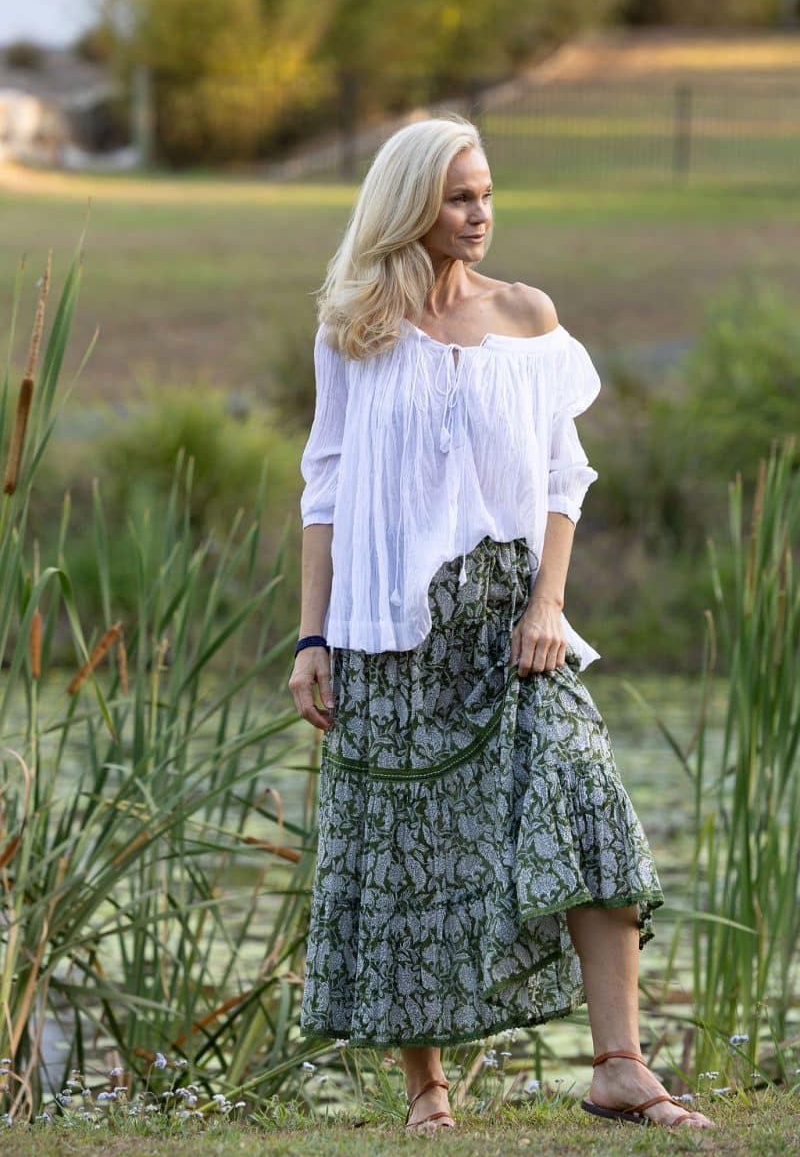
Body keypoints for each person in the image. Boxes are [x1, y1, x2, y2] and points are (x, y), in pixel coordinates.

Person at [288, 114, 713, 1134]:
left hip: (513, 623)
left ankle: (619, 1067)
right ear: (408, 208)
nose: (478, 215)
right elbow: (324, 489)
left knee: (588, 812)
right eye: (457, 197)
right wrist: (310, 639)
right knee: (404, 852)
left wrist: (548, 606)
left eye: (485, 194)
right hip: (385, 634)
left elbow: (565, 476)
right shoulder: (354, 329)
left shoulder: (526, 316)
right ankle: (427, 1093)